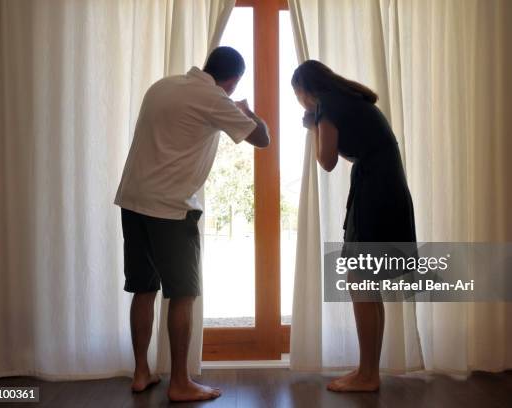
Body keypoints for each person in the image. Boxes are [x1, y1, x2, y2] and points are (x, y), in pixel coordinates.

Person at [114, 46, 270, 402]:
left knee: (143, 287)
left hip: (133, 200)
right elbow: (263, 139)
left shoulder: (163, 86)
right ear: (232, 81)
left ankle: (141, 373)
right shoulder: (215, 99)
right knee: (183, 294)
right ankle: (180, 382)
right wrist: (245, 110)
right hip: (170, 208)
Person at [291, 60, 416, 392]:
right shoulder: (349, 100)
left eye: (298, 96)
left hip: (375, 193)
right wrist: (316, 126)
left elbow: (327, 161)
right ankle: (367, 371)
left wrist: (314, 126)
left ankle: (368, 374)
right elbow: (357, 151)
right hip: (386, 188)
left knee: (360, 281)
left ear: (304, 90)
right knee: (367, 284)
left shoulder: (327, 105)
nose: (301, 103)